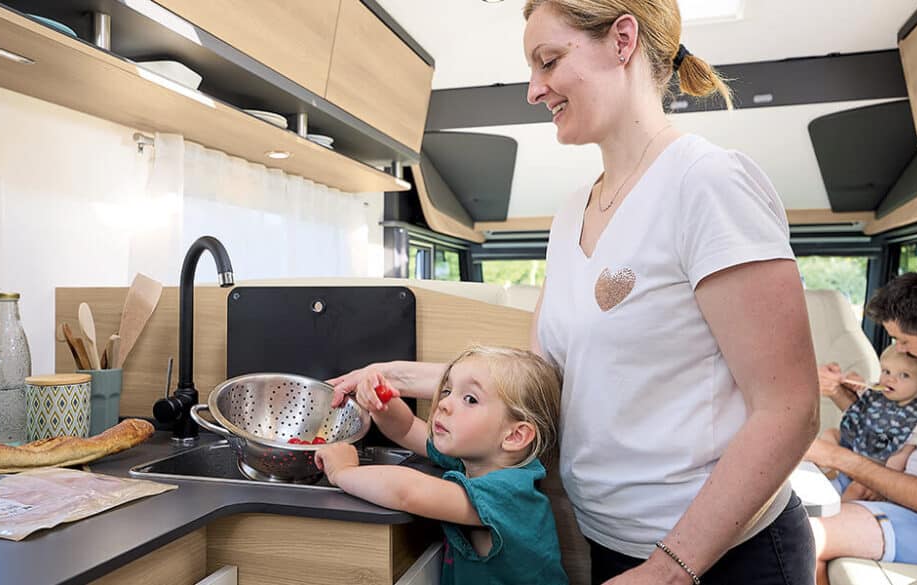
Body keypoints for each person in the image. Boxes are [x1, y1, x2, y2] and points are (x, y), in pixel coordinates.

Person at [333, 1, 821, 582]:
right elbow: (543, 379)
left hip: (719, 559)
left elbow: (790, 411)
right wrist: (400, 374)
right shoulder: (570, 217)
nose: (534, 90)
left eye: (549, 60)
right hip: (616, 544)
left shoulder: (707, 183)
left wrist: (668, 569)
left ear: (621, 41)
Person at [315, 346, 569, 585]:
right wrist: (382, 405)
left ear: (514, 436)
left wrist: (343, 472)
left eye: (470, 399)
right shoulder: (478, 460)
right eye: (447, 391)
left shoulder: (510, 495)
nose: (444, 404)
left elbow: (408, 493)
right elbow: (406, 429)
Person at [805, 271, 917, 584]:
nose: (902, 351)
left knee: (804, 536)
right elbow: (886, 421)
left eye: (904, 342)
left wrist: (841, 459)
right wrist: (838, 390)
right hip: (914, 507)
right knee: (789, 518)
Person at [817, 345, 917, 500]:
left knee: (856, 489)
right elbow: (860, 398)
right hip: (855, 446)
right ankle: (826, 471)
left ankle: (840, 514)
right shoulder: (876, 395)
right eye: (886, 371)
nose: (890, 379)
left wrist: (884, 484)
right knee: (830, 433)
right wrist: (851, 382)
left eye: (904, 375)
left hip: (876, 467)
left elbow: (903, 454)